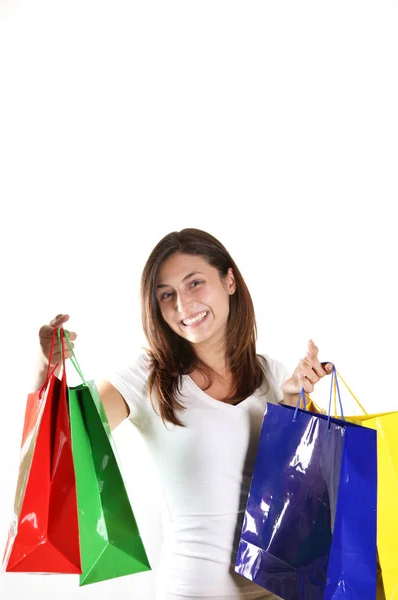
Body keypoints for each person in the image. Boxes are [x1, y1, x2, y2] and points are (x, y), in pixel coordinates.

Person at [32, 229, 333, 600]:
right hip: (194, 591)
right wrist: (45, 370)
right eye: (167, 294)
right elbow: (60, 441)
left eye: (195, 283)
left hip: (281, 589)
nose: (182, 304)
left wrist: (292, 403)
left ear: (229, 281)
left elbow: (294, 490)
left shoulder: (271, 372)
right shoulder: (148, 376)